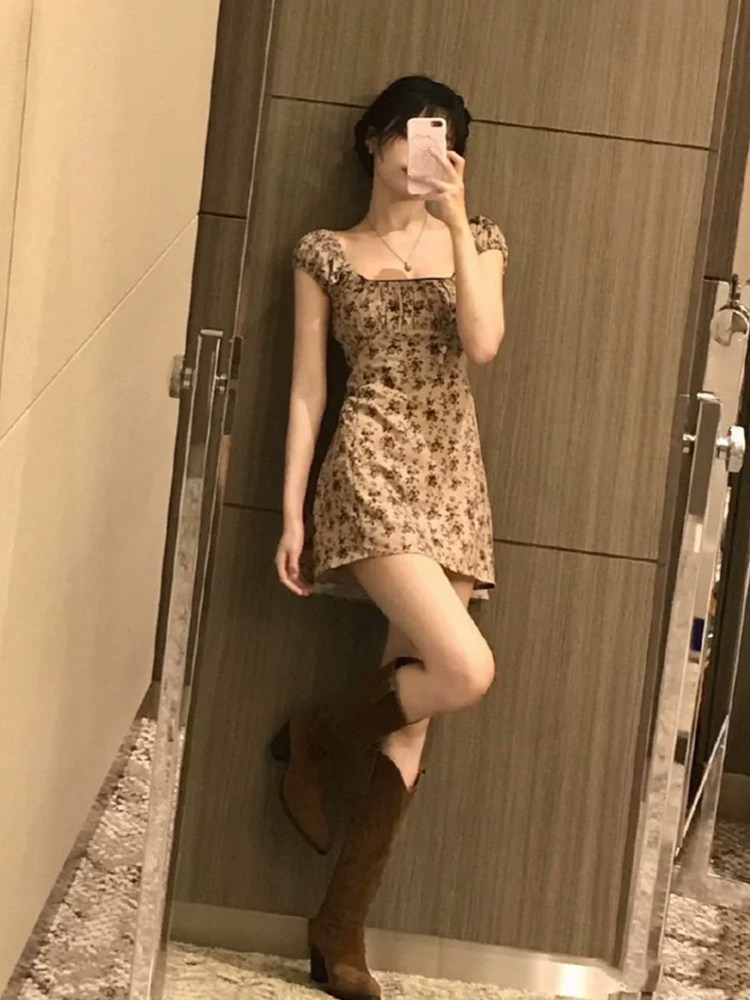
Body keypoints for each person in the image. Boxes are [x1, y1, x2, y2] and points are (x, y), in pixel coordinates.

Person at [272, 74, 508, 1000]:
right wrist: (293, 510)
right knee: (466, 670)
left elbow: (483, 345)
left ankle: (339, 932)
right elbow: (308, 390)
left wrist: (457, 223)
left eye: (445, 142)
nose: (424, 155)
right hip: (369, 471)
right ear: (376, 141)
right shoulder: (326, 252)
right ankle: (320, 737)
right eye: (413, 135)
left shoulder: (479, 241)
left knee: (412, 720)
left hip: (454, 482)